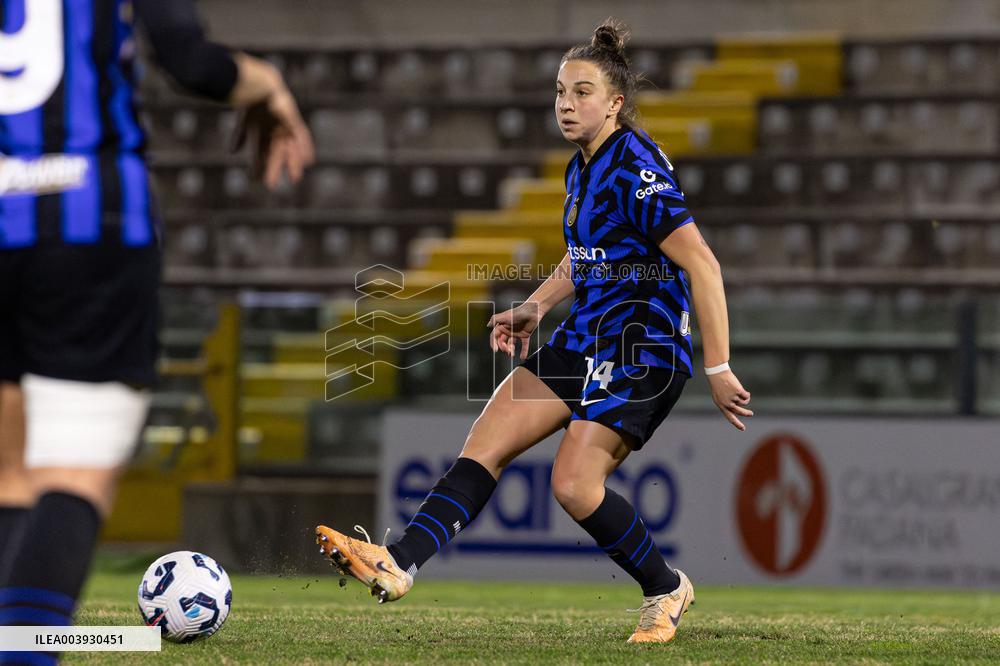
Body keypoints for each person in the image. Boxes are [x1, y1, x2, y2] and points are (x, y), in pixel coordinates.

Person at [315, 19, 751, 644]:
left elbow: (703, 263)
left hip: (642, 347)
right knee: (487, 439)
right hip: (585, 337)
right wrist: (537, 305)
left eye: (582, 93)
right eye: (559, 92)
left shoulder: (637, 170)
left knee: (573, 485)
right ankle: (399, 562)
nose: (566, 105)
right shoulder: (583, 167)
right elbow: (588, 253)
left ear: (615, 103)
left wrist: (718, 366)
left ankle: (666, 589)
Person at [0, 0, 314, 652]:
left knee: (8, 474)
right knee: (71, 475)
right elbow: (193, 62)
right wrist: (269, 84)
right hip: (90, 217)